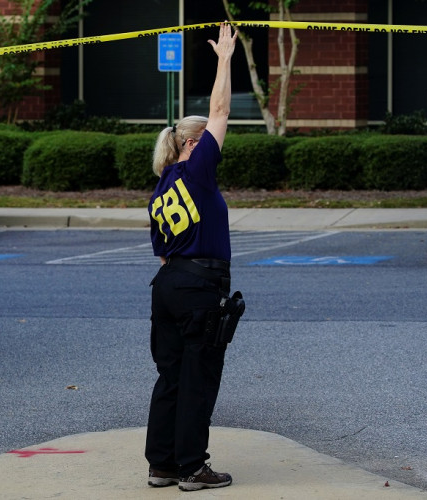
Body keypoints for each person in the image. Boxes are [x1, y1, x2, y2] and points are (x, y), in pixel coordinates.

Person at [145, 22, 239, 492]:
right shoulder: (198, 169)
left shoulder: (162, 187)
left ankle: (162, 464)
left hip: (168, 288)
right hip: (199, 288)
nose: (218, 144)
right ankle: (191, 468)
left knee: (171, 377)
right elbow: (220, 108)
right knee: (198, 378)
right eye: (211, 138)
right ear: (192, 142)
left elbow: (162, 256)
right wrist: (224, 58)